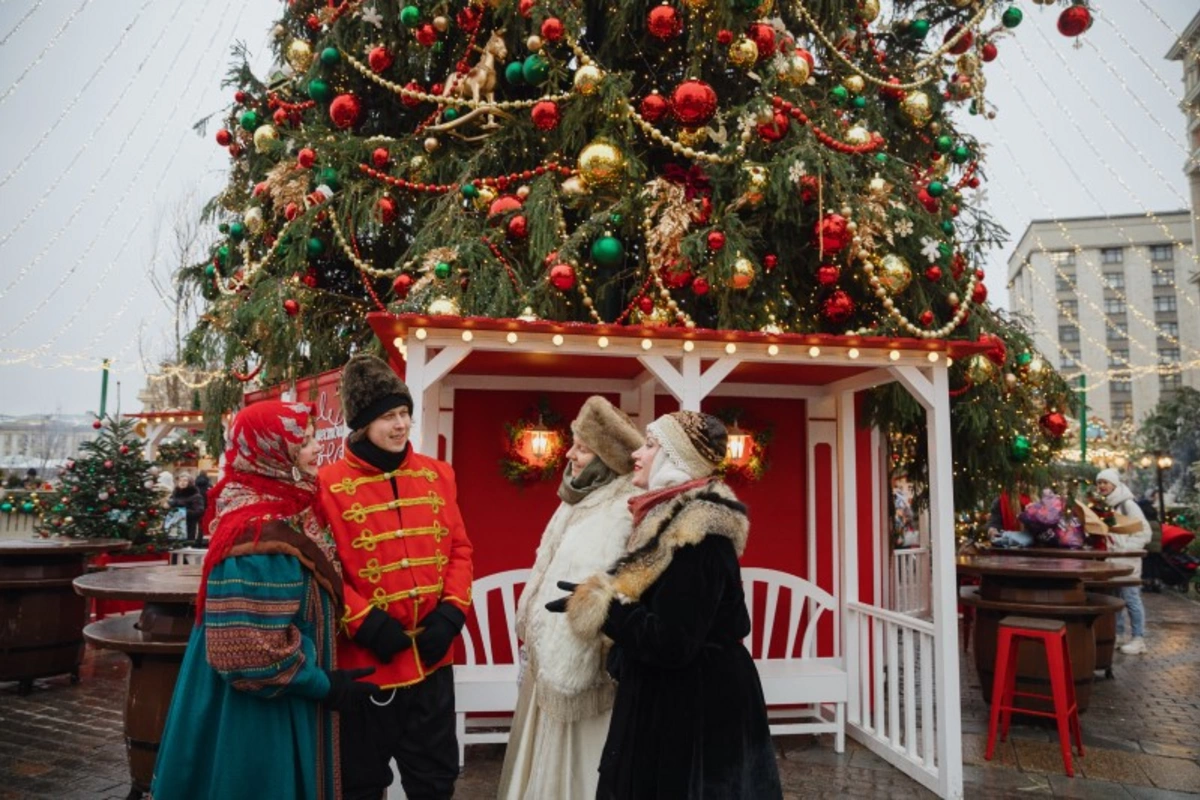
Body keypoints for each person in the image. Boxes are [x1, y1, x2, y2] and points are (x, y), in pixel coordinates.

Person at [549, 411, 782, 800]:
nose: (638, 454)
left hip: (696, 715)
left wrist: (607, 609)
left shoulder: (699, 534)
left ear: (677, 460)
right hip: (670, 702)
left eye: (652, 445)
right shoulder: (665, 520)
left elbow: (673, 641)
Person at [153, 401, 379, 799]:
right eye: (303, 442)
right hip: (258, 720)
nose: (315, 450)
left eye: (311, 439)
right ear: (273, 454)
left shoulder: (284, 510)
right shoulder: (257, 536)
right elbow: (249, 655)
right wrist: (324, 684)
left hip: (275, 702)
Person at [316, 355, 474, 800]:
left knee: (436, 781)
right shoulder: (325, 485)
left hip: (433, 661)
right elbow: (323, 571)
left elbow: (460, 549)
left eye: (405, 413)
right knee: (361, 784)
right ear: (363, 423)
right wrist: (365, 622)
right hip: (369, 665)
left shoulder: (438, 474)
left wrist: (451, 615)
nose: (401, 425)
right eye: (388, 416)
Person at [498, 396, 644, 800]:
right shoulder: (577, 501)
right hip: (549, 664)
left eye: (582, 447)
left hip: (587, 674)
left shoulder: (621, 511)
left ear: (606, 457)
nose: (571, 454)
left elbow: (616, 592)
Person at [1095, 468, 1153, 655]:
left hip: (1127, 560)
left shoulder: (1128, 504)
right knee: (1118, 598)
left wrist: (1126, 549)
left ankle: (1139, 638)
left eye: (1105, 482)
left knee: (1131, 598)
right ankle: (1119, 635)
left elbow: (1145, 532)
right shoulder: (1111, 505)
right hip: (1116, 560)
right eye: (1099, 482)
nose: (1102, 486)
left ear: (1115, 484)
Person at [168, 473, 206, 542]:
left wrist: (182, 512)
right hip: (174, 528)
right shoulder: (174, 495)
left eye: (185, 480)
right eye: (180, 480)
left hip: (189, 527)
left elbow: (199, 511)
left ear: (190, 482)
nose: (182, 482)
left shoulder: (196, 496)